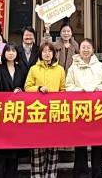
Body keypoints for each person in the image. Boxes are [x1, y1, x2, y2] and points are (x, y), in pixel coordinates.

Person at [66, 39, 102, 178]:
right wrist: (80, 91)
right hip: (80, 109)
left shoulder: (100, 66)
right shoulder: (73, 67)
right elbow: (68, 86)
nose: (85, 50)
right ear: (79, 49)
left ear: (92, 49)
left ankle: (97, 173)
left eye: (88, 47)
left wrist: (98, 89)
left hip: (97, 109)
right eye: (83, 47)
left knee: (97, 144)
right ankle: (81, 173)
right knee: (80, 143)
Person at [25, 42, 66, 178]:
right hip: (38, 113)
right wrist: (38, 88)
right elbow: (27, 87)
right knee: (37, 148)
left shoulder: (60, 70)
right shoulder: (33, 69)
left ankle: (51, 175)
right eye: (44, 51)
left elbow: (63, 90)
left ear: (53, 53)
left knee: (53, 148)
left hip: (54, 113)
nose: (47, 54)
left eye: (50, 51)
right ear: (40, 54)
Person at [0, 42, 28, 178]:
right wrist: (8, 96)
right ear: (4, 53)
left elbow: (26, 87)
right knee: (0, 152)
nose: (11, 53)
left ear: (17, 53)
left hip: (16, 114)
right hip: (1, 114)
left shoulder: (22, 69)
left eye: (13, 51)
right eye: (8, 51)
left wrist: (20, 91)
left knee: (13, 152)